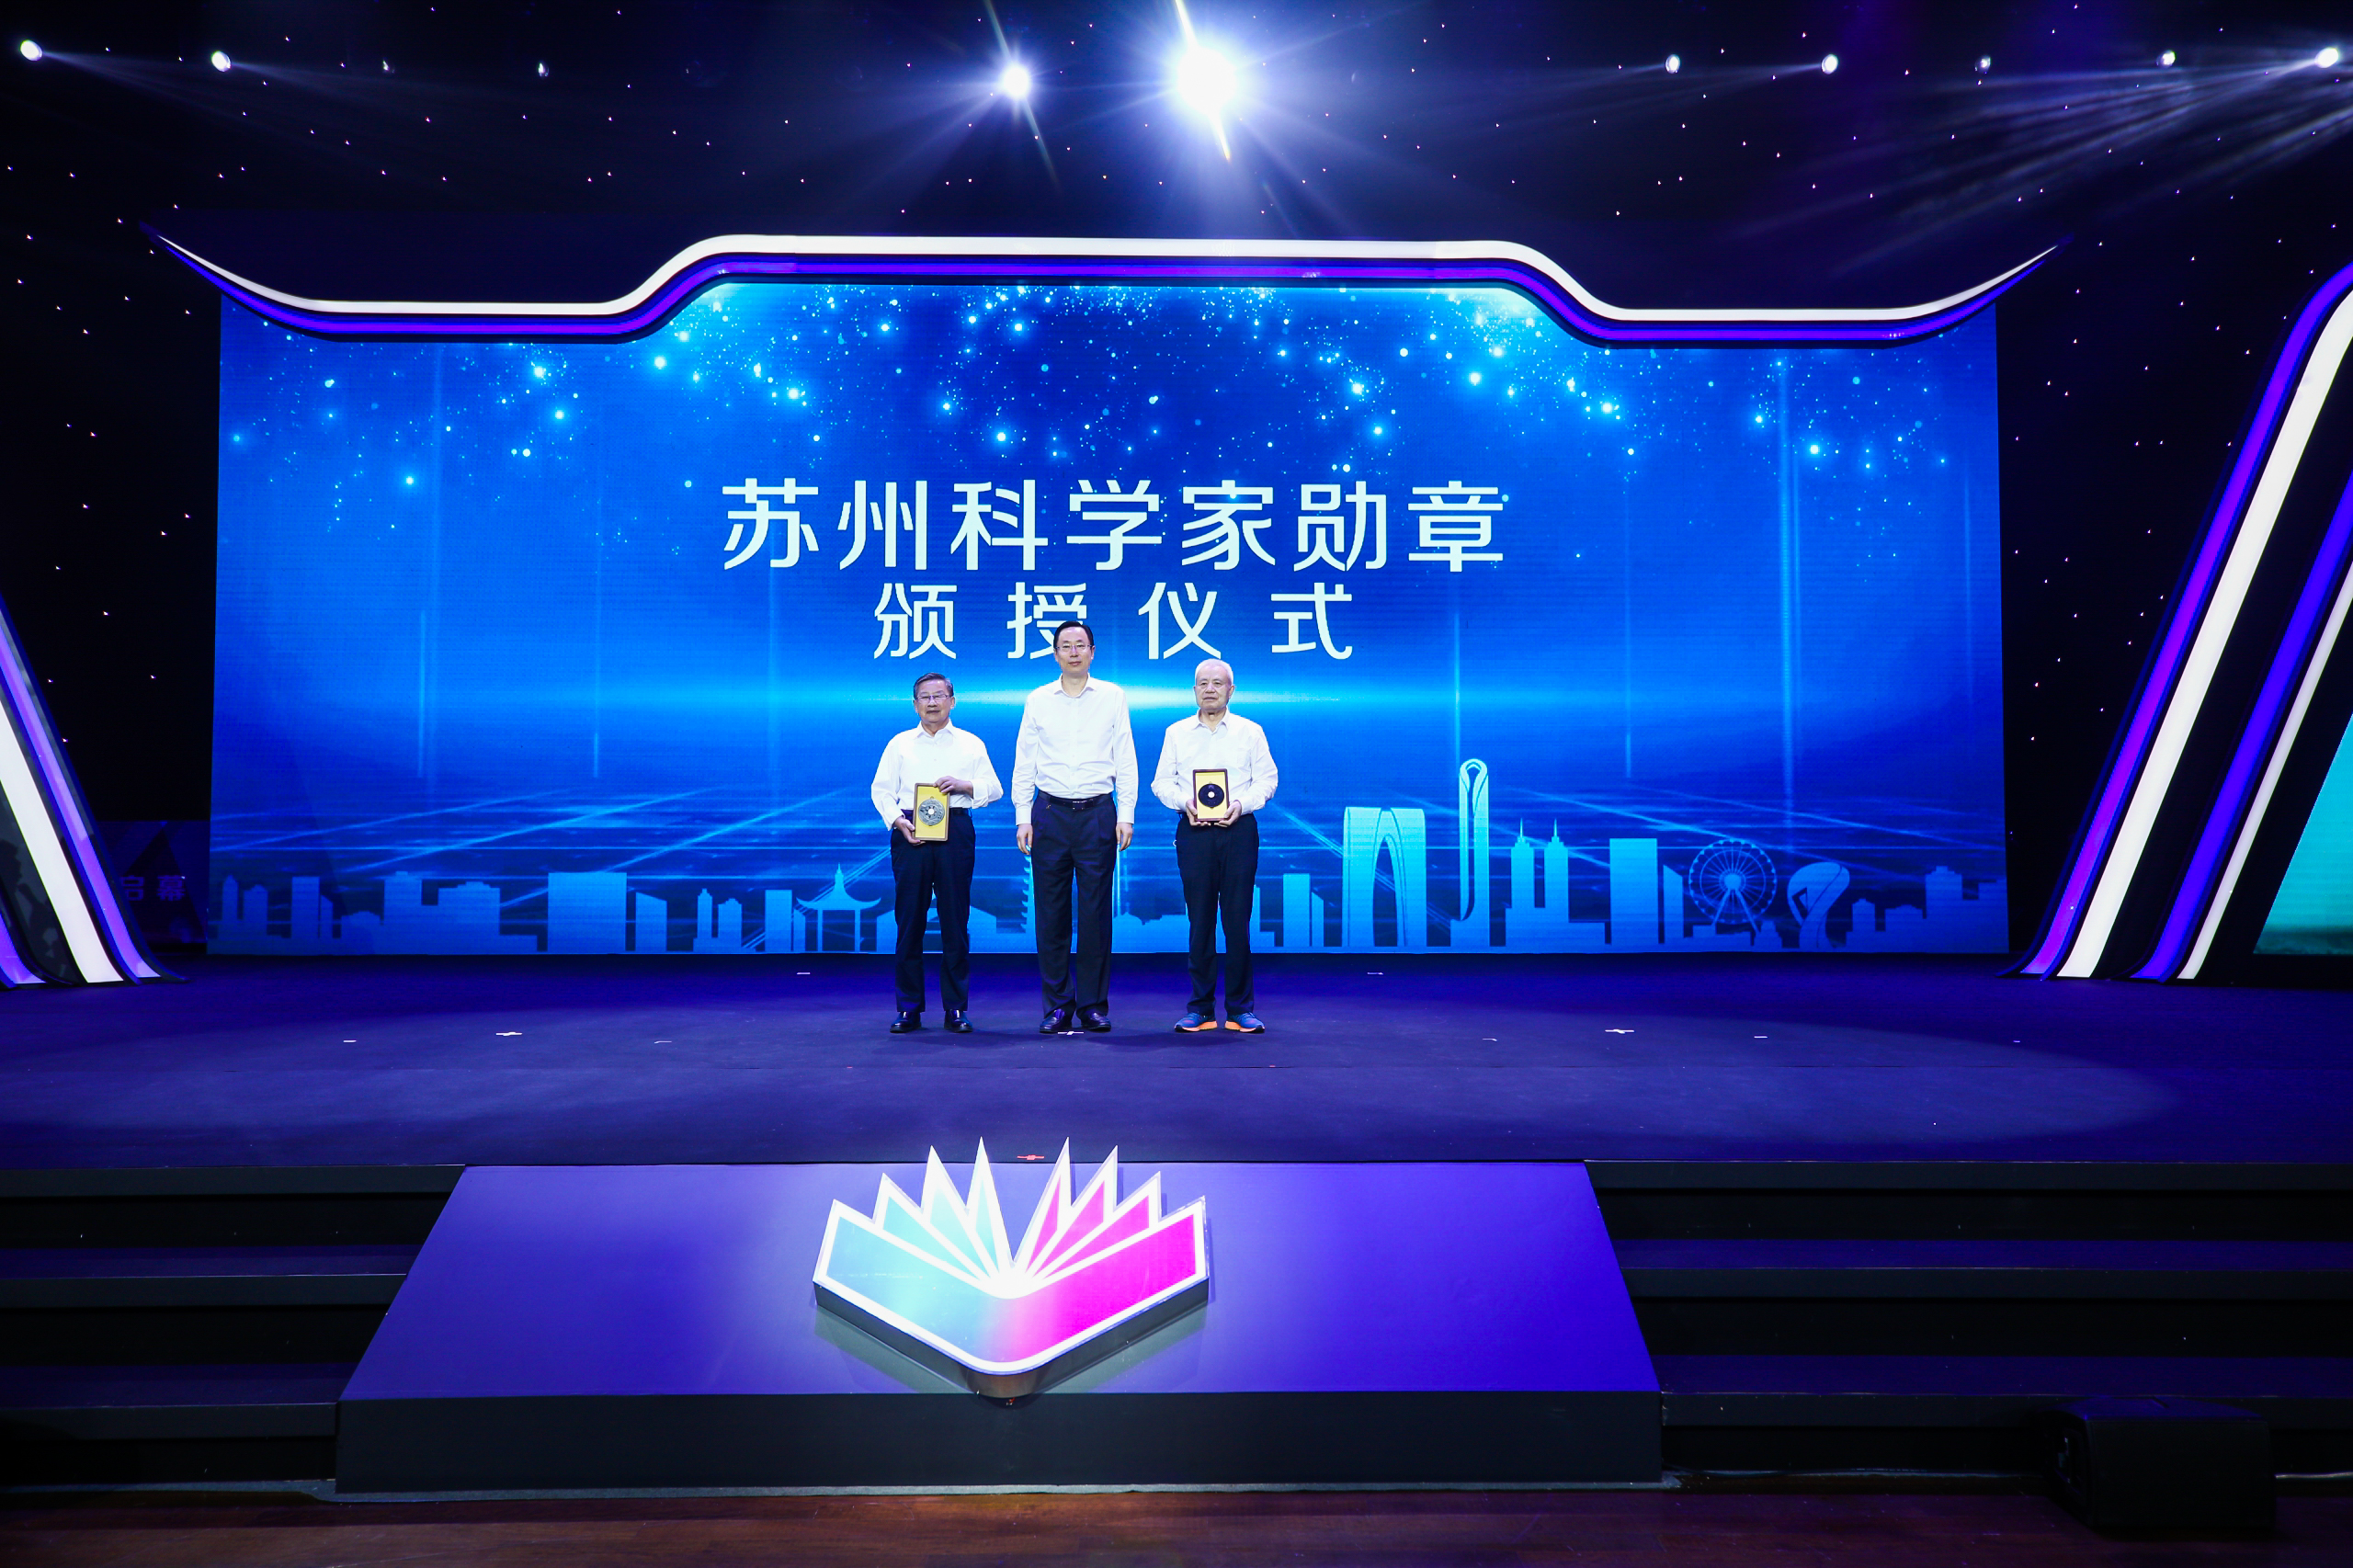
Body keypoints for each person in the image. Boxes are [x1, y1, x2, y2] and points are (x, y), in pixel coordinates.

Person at [1011, 620, 1137, 1035]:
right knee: (1051, 914)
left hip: (1098, 812)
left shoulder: (1112, 697)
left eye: (1080, 645)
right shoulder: (1038, 699)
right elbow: (1024, 760)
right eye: (1065, 646)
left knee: (1096, 913)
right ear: (1055, 654)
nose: (1073, 652)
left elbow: (1125, 756)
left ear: (1092, 651)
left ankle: (1093, 1006)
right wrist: (1023, 816)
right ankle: (1057, 1006)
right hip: (1049, 813)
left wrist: (1126, 813)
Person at [870, 672, 1002, 1033]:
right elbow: (881, 790)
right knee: (909, 921)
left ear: (952, 701)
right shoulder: (899, 744)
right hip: (910, 830)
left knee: (955, 921)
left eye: (939, 696)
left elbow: (994, 788)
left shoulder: (970, 743)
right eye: (925, 697)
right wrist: (897, 820)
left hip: (955, 830)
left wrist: (964, 785)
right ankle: (908, 1009)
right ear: (915, 705)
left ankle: (955, 1008)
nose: (932, 703)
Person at [1150, 659, 1277, 1033]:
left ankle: (1240, 1010)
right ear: (1194, 690)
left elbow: (1267, 781)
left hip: (1239, 831)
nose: (1209, 689)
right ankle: (1201, 1009)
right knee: (1200, 921)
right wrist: (1183, 802)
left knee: (1237, 921)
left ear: (1231, 690)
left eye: (1217, 683)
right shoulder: (1176, 733)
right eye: (1203, 683)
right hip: (1194, 832)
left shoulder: (1250, 732)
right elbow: (1161, 783)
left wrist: (1241, 804)